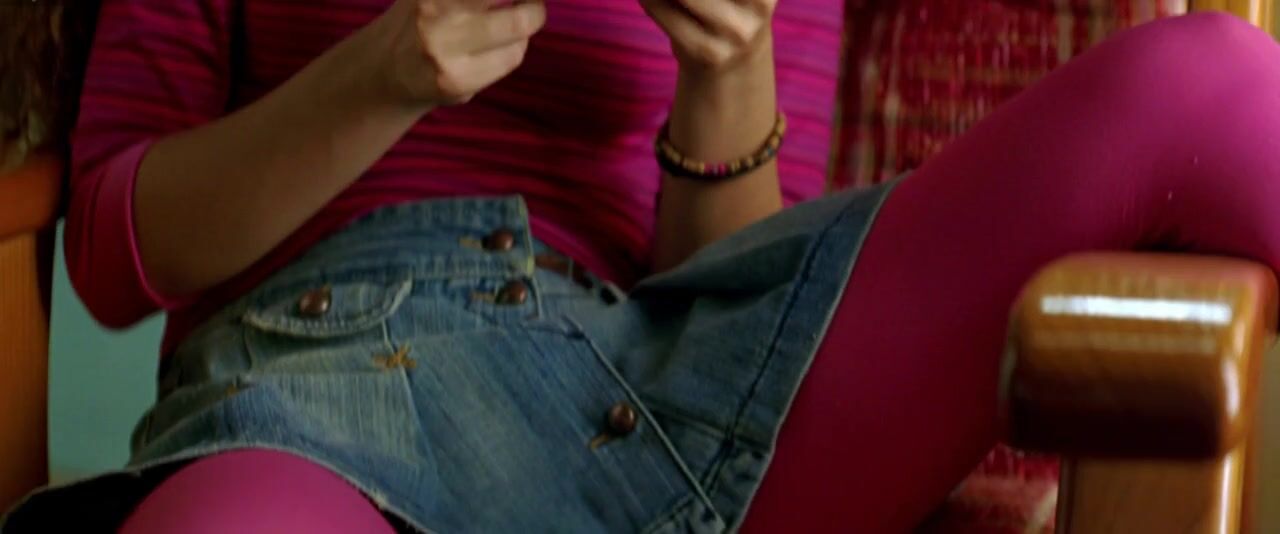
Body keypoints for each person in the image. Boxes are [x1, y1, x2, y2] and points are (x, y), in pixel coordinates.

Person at [3, 1, 1280, 532]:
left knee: (1202, 77)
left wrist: (727, 63)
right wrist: (383, 72)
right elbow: (120, 252)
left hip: (660, 371)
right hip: (323, 387)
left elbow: (728, 279)